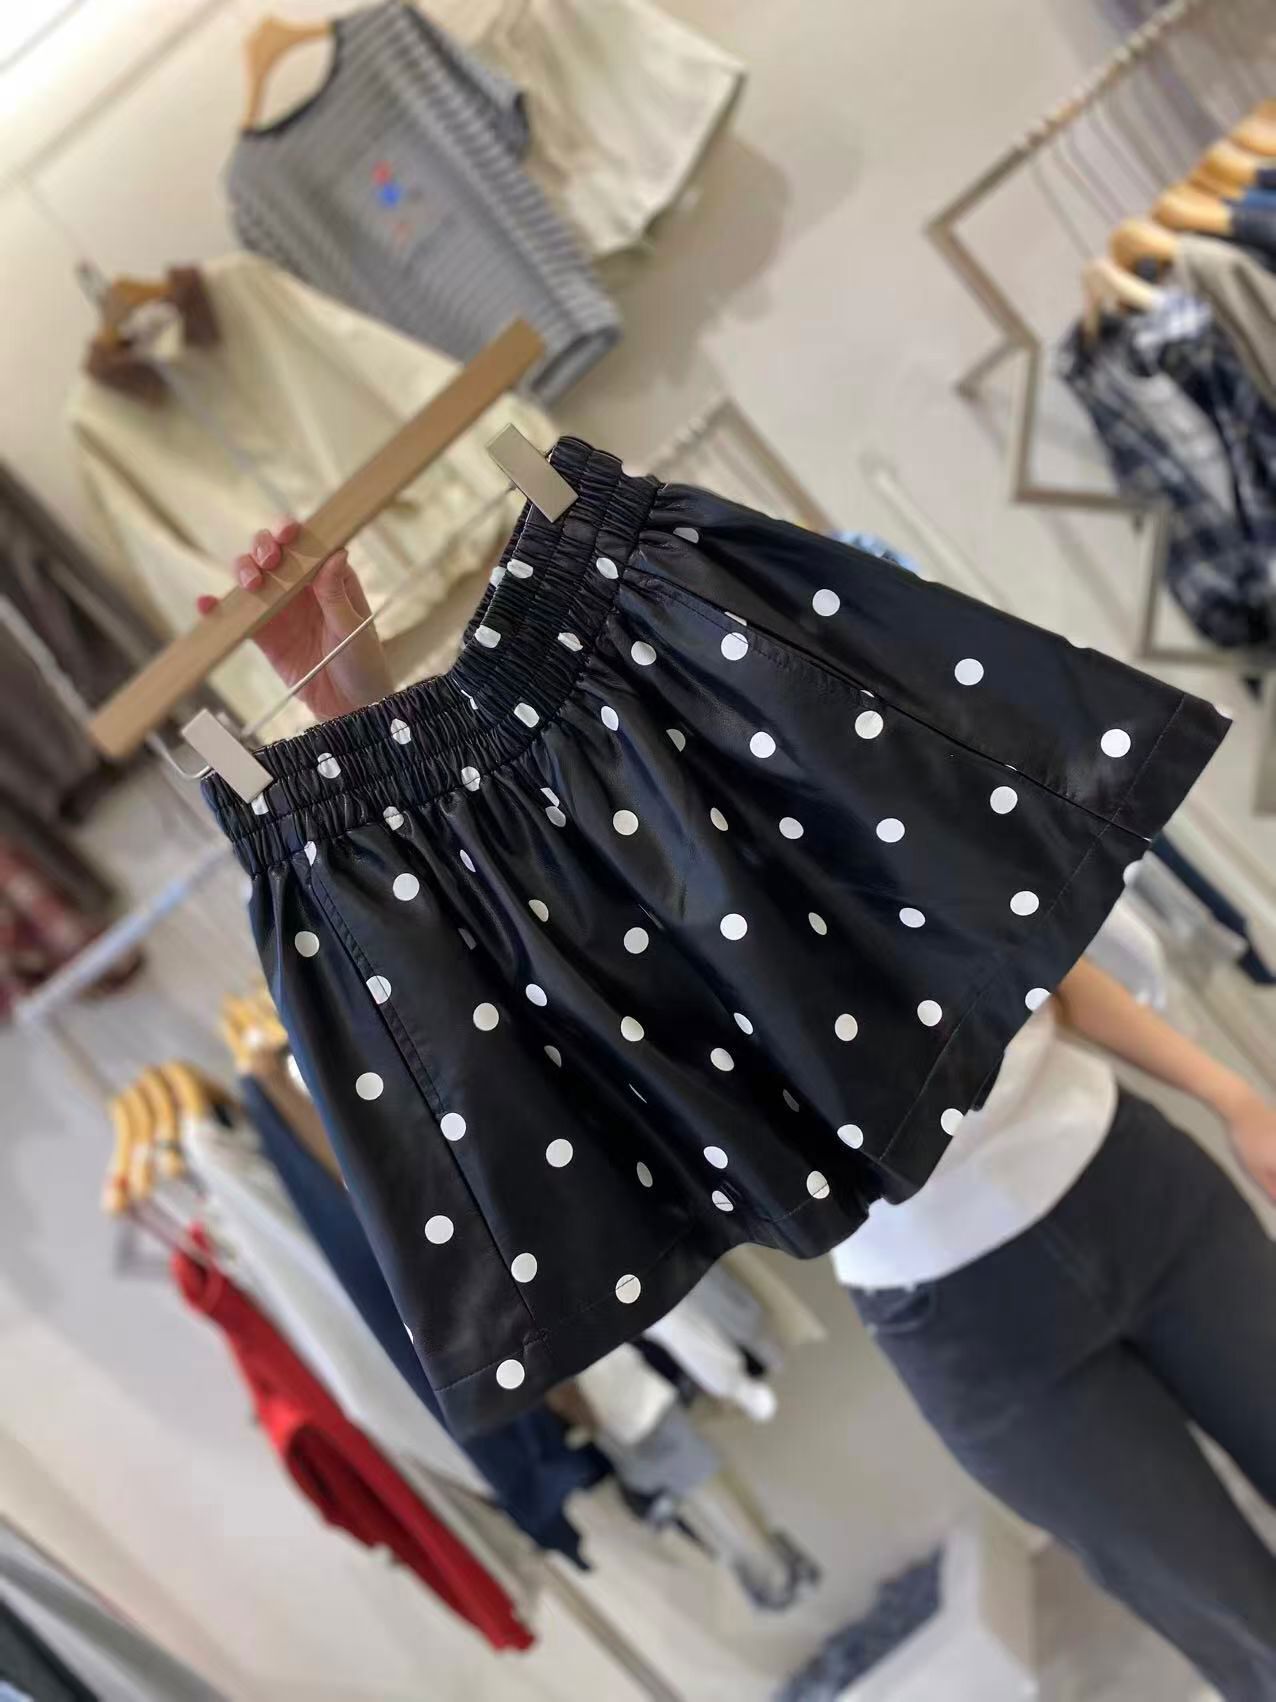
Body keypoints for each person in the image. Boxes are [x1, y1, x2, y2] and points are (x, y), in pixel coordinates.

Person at [211, 525, 1276, 1698]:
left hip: (1133, 1179)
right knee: (1240, 1629)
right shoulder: (588, 899)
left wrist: (1231, 1093)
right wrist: (349, 706)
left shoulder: (742, 734)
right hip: (968, 1323)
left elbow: (1021, 950)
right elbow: (484, 983)